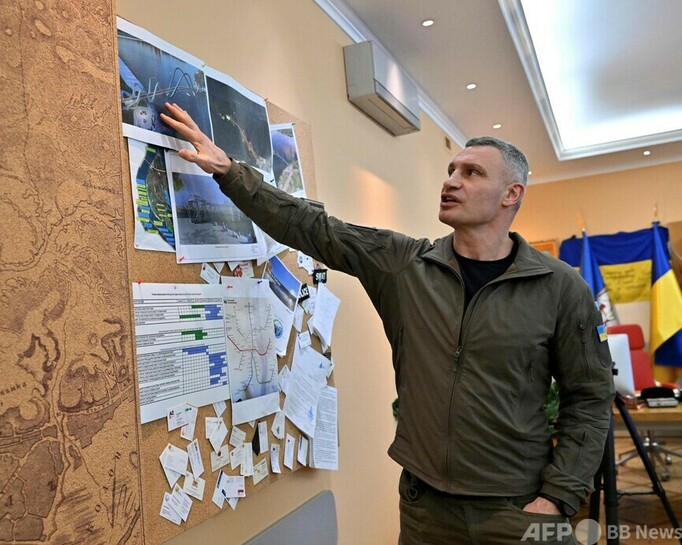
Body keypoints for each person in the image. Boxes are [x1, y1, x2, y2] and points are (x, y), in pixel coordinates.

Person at [161, 102, 615, 544]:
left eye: (472, 173)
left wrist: (557, 499)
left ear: (511, 194)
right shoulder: (406, 264)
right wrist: (230, 172)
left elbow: (590, 398)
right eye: (451, 170)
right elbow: (315, 227)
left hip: (518, 509)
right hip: (426, 511)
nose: (451, 181)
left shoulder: (560, 288)